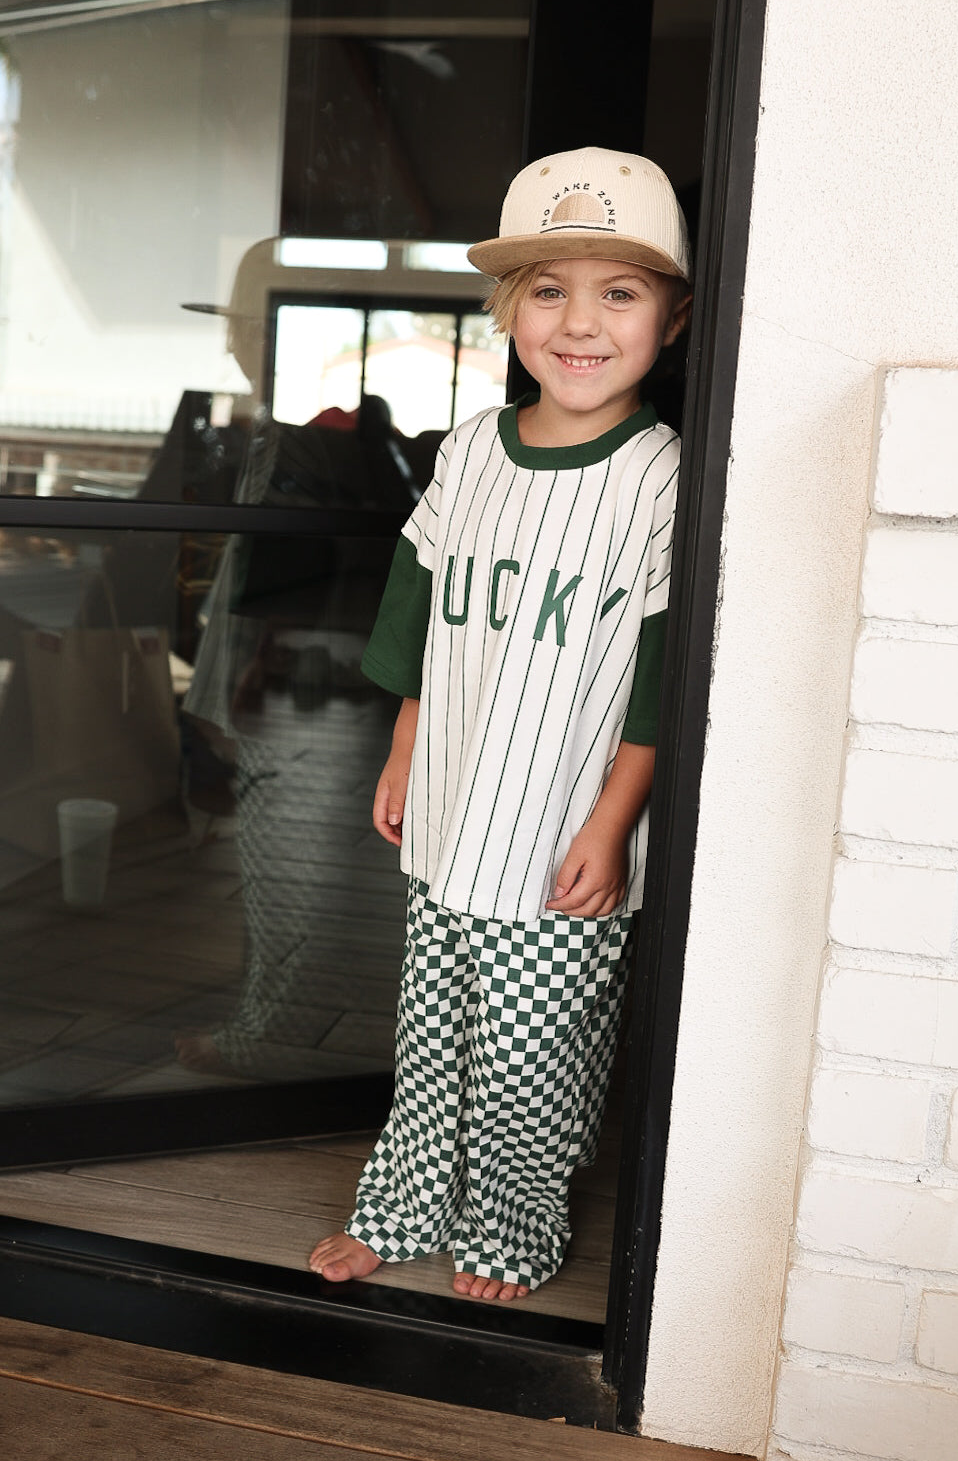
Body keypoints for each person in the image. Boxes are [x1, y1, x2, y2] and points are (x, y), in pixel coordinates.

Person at [309, 148, 692, 1301]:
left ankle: (513, 1228)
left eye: (619, 292)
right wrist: (404, 746)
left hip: (562, 828)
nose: (580, 322)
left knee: (534, 1059)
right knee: (432, 1039)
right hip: (452, 809)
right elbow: (419, 602)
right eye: (548, 290)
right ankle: (399, 1207)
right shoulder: (473, 446)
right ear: (510, 310)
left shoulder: (662, 477)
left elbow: (662, 670)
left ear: (671, 320)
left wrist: (614, 823)